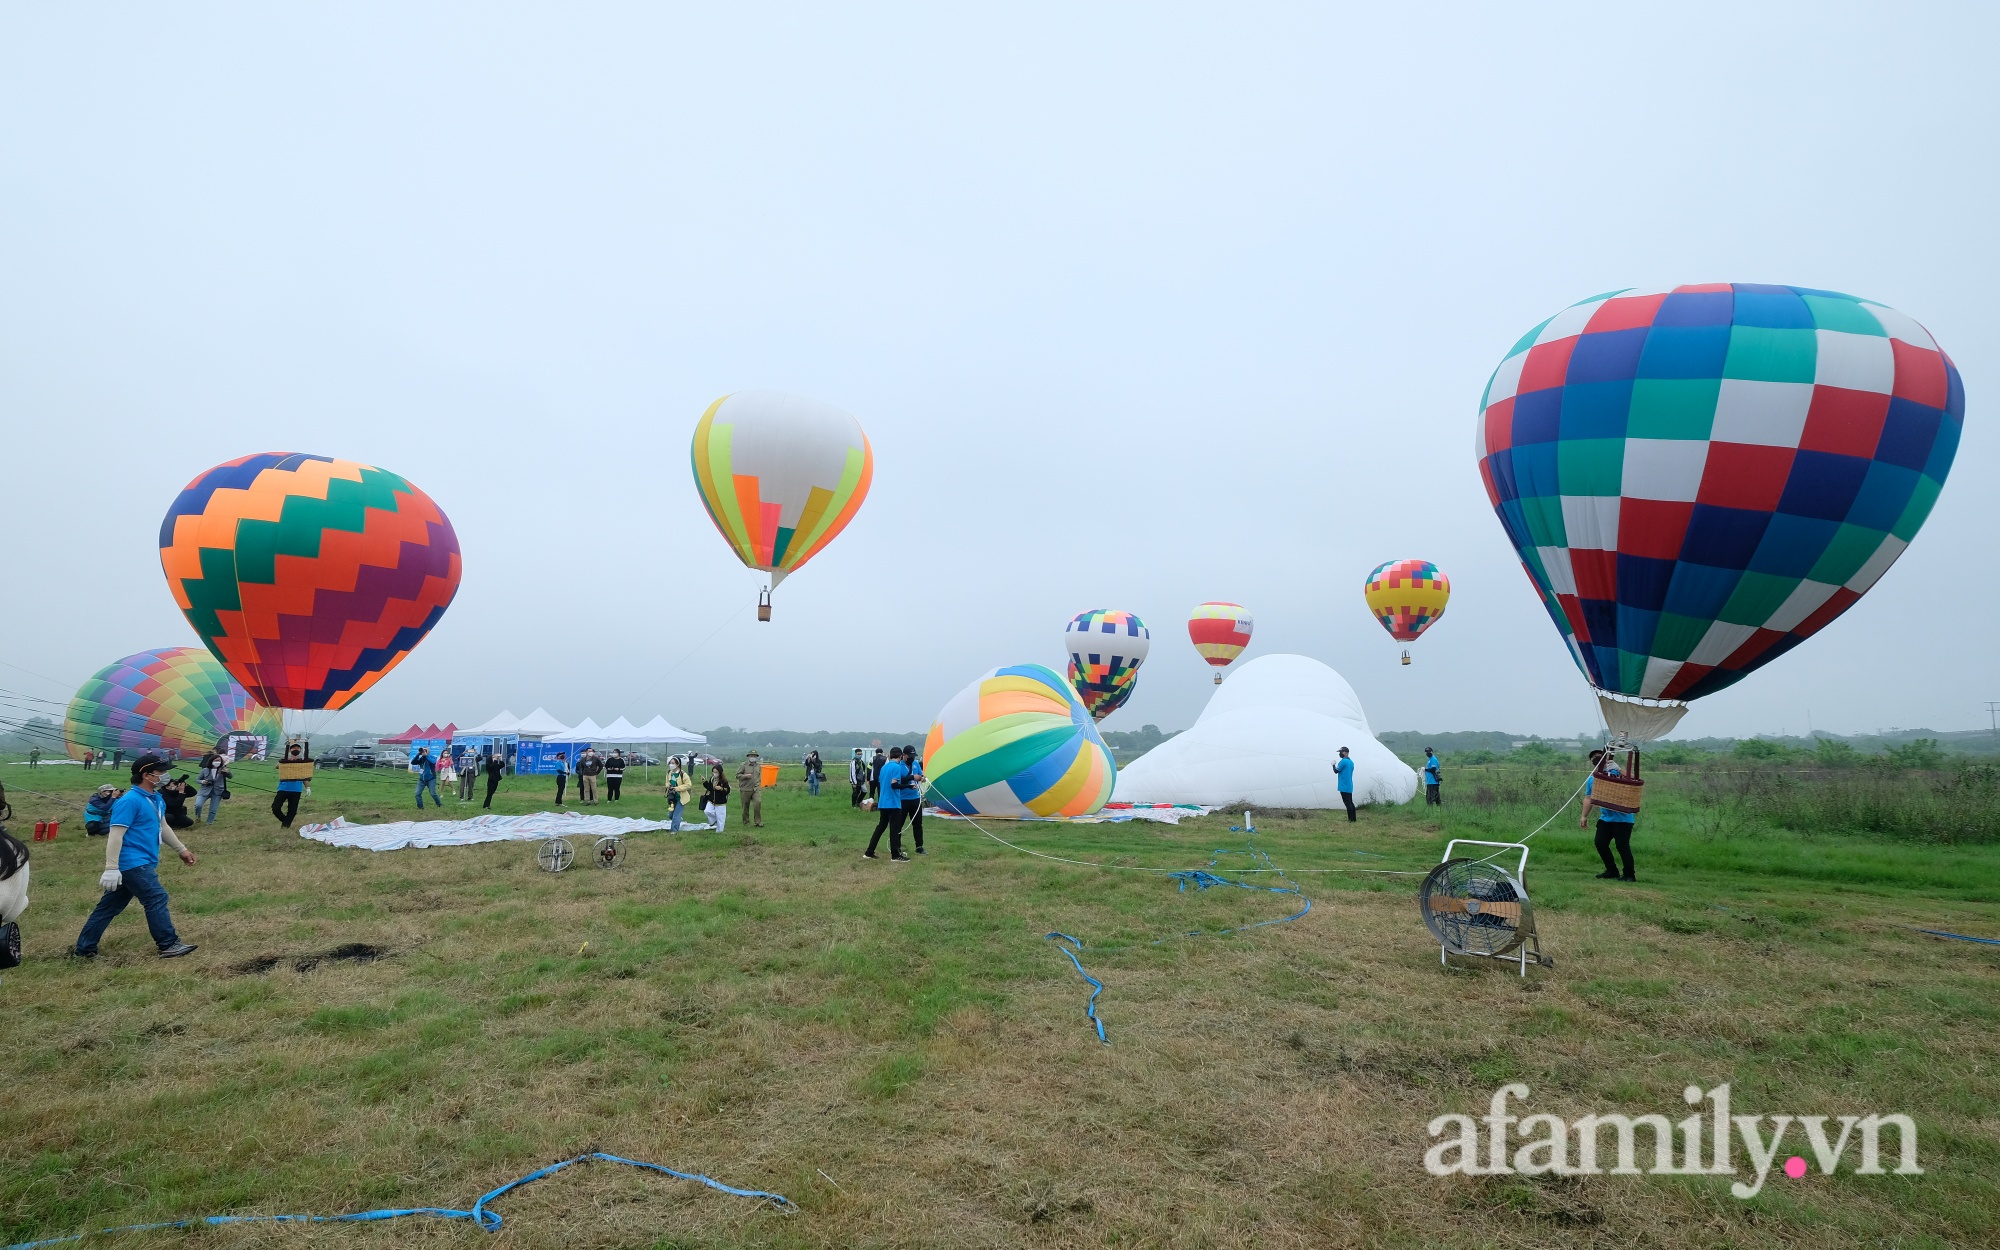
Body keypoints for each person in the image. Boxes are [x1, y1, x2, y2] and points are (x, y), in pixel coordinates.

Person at [73, 755, 198, 959]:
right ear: (147, 775)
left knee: (108, 907)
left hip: (144, 860)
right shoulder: (129, 801)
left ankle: (85, 949)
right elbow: (115, 835)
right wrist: (111, 868)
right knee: (156, 897)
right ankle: (168, 944)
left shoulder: (155, 798)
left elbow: (162, 826)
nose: (165, 776)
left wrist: (181, 849)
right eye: (161, 772)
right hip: (133, 862)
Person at [1580, 749, 1638, 882]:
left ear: (1605, 758)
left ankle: (1629, 874)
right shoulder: (1592, 779)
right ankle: (1612, 870)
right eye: (1593, 757)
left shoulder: (1618, 773)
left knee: (1622, 846)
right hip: (1606, 818)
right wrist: (1584, 816)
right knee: (1600, 843)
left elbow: (1634, 780)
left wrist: (1618, 769)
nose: (1596, 758)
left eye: (1598, 756)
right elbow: (1589, 798)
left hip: (1623, 818)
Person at [865, 747, 912, 860]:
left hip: (883, 802)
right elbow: (894, 785)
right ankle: (895, 855)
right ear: (900, 756)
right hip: (893, 803)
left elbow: (882, 783)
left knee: (880, 827)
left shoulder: (884, 768)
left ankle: (869, 852)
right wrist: (909, 786)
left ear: (890, 756)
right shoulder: (896, 767)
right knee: (894, 830)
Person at [271, 742, 308, 828]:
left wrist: (308, 787)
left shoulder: (303, 763)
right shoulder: (285, 760)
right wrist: (286, 759)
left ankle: (285, 827)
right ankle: (286, 821)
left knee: (292, 810)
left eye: (297, 748)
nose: (295, 749)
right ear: (290, 750)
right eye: (293, 748)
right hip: (283, 788)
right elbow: (276, 766)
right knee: (275, 808)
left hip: (296, 789)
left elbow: (305, 776)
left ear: (300, 750)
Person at [900, 744, 926, 855]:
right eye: (910, 756)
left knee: (918, 824)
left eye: (913, 756)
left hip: (915, 798)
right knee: (899, 824)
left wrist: (922, 778)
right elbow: (898, 781)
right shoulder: (898, 765)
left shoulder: (915, 764)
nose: (912, 758)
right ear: (904, 755)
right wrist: (912, 778)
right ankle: (897, 846)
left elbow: (921, 775)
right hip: (902, 799)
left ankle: (919, 846)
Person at [195, 751, 230, 824]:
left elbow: (230, 777)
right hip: (204, 790)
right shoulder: (205, 770)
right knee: (198, 805)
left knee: (213, 809)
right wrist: (203, 781)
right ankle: (198, 817)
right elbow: (197, 780)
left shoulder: (223, 770)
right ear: (211, 761)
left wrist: (227, 772)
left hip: (217, 791)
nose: (217, 762)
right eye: (216, 760)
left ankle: (209, 822)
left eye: (219, 761)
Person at [735, 752, 764, 828]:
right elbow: (737, 775)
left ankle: (758, 822)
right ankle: (746, 822)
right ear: (748, 757)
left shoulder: (758, 766)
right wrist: (745, 776)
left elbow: (759, 775)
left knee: (758, 803)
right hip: (745, 789)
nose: (752, 757)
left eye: (754, 756)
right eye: (751, 756)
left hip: (756, 788)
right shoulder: (743, 765)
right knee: (745, 806)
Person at [665, 757, 691, 831]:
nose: (671, 765)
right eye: (670, 763)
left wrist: (677, 788)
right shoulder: (669, 773)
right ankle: (679, 819)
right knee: (670, 815)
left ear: (678, 764)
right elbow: (667, 782)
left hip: (681, 797)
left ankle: (674, 831)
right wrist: (668, 786)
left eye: (673, 763)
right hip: (672, 797)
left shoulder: (683, 774)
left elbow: (688, 785)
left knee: (676, 816)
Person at [702, 764, 730, 832]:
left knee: (721, 818)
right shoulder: (712, 779)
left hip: (720, 802)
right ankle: (714, 820)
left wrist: (721, 788)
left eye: (716, 772)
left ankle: (719, 832)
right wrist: (704, 782)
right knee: (707, 811)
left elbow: (727, 790)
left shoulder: (724, 781)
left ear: (720, 772)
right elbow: (709, 788)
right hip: (711, 800)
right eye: (713, 772)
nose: (715, 773)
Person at [1331, 746, 1356, 822]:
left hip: (1343, 786)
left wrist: (1333, 765)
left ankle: (1351, 819)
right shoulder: (1351, 762)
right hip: (1349, 785)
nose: (1340, 754)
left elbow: (1336, 771)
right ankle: (1353, 818)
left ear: (1345, 753)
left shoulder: (1343, 761)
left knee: (1347, 803)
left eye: (1341, 752)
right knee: (1350, 802)